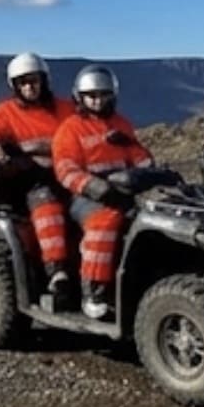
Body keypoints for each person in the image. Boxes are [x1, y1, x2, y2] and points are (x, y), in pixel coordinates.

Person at [0, 53, 76, 306]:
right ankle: (56, 271)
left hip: (72, 172)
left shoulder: (66, 109)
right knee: (48, 206)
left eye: (34, 80)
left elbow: (86, 128)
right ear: (14, 86)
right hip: (33, 179)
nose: (29, 87)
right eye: (23, 82)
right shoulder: (5, 113)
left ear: (44, 80)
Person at [53, 64, 155, 320]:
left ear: (113, 95)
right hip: (85, 197)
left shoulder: (121, 124)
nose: (98, 100)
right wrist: (94, 187)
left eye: (104, 94)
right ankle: (94, 292)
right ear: (80, 97)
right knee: (105, 222)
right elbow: (65, 169)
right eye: (92, 95)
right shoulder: (71, 129)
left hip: (123, 191)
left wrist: (152, 170)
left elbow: (140, 157)